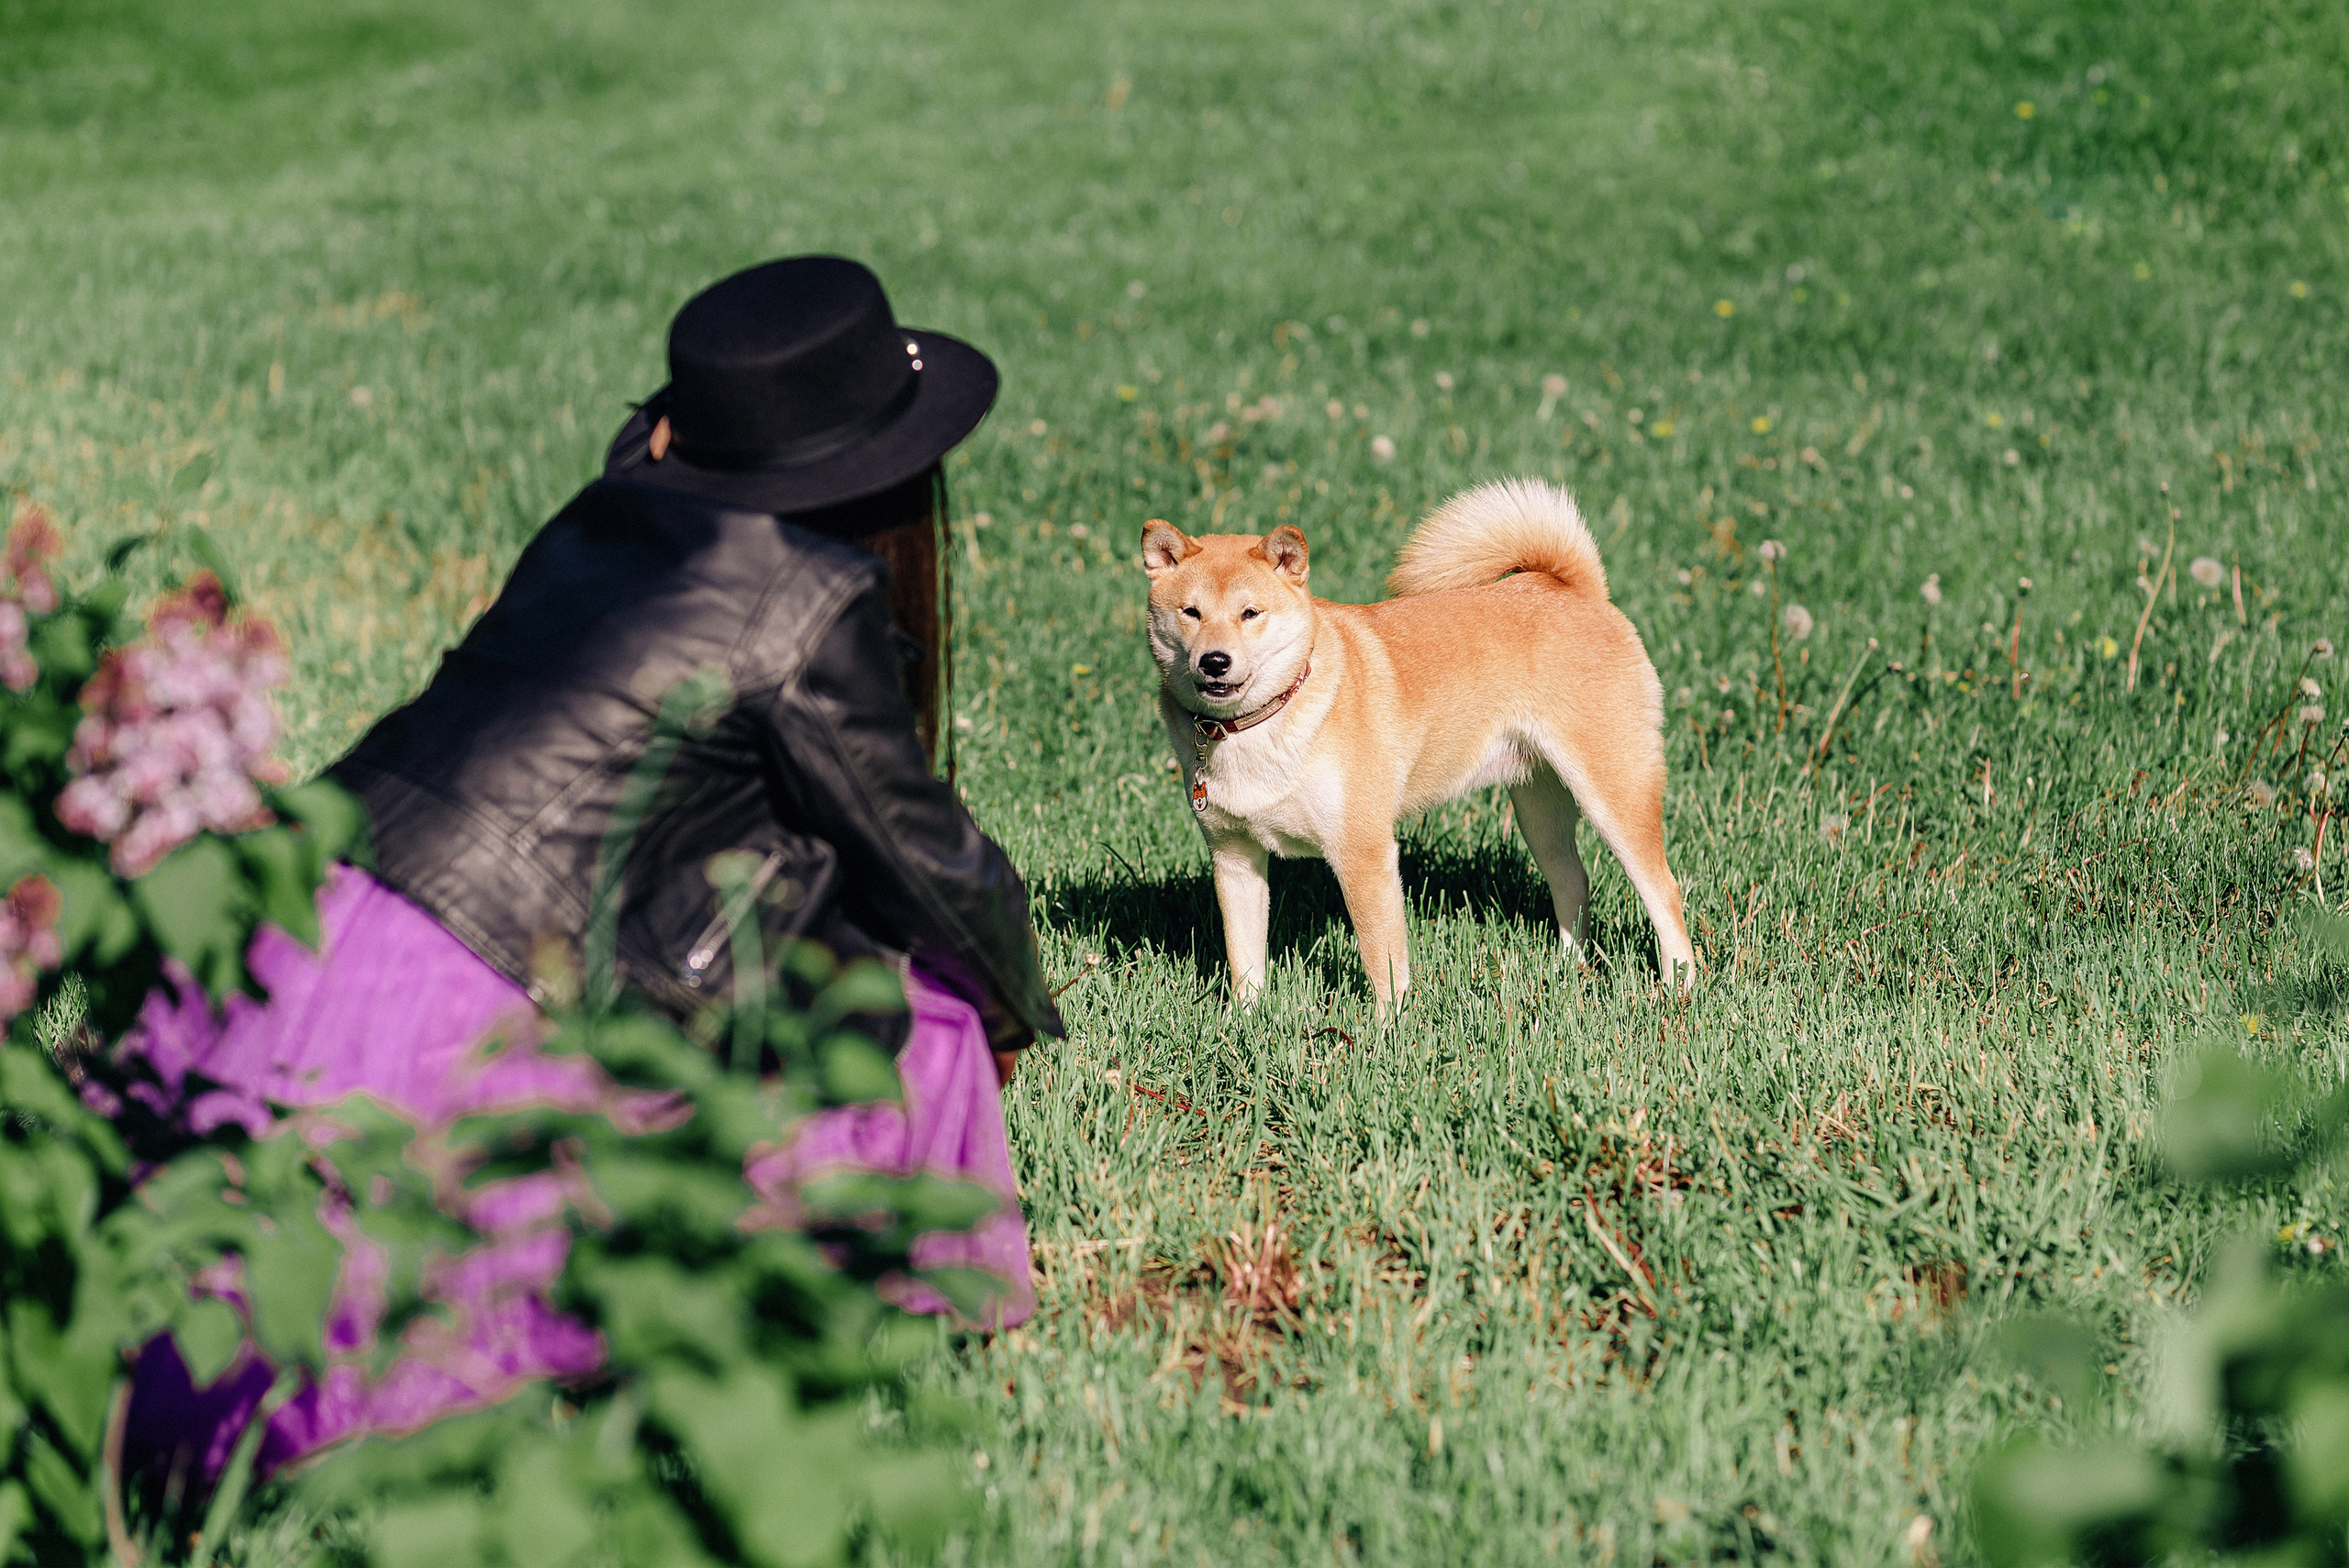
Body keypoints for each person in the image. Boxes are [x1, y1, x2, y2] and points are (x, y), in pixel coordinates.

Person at [117, 256, 1063, 1484]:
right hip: (466, 974)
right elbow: (927, 860)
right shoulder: (808, 597)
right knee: (924, 1016)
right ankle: (914, 1295)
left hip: (314, 899)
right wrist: (1011, 1001)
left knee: (220, 1242)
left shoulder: (598, 521)